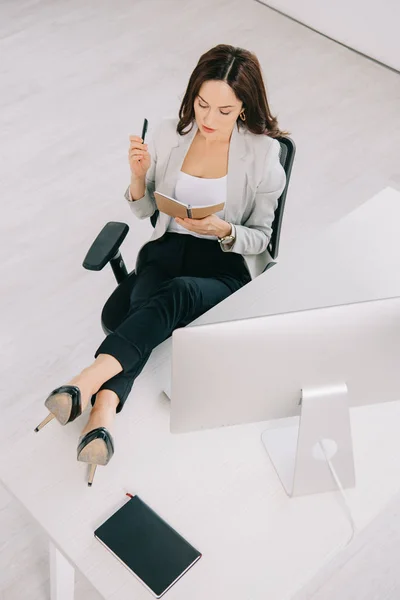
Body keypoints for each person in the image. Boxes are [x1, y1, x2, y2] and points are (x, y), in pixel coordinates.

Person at [34, 44, 288, 486]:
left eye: (224, 111)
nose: (208, 118)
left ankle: (85, 380)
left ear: (245, 107)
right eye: (202, 103)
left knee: (171, 298)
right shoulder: (172, 134)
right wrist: (138, 176)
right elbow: (148, 210)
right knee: (149, 304)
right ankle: (101, 415)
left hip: (222, 263)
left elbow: (262, 239)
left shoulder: (265, 156)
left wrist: (223, 231)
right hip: (167, 247)